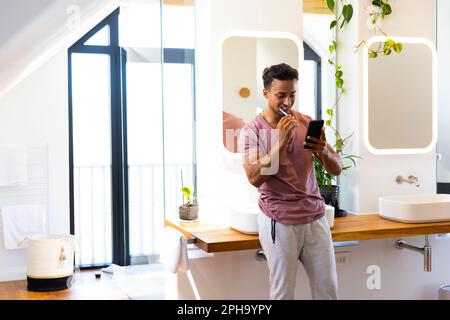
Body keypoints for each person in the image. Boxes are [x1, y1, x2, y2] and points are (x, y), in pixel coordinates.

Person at [238, 63, 342, 300]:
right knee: (283, 294)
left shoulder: (305, 123)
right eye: (281, 95)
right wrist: (281, 142)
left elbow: (336, 168)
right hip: (279, 221)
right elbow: (254, 177)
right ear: (266, 94)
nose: (287, 102)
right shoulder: (251, 131)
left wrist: (322, 152)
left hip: (315, 218)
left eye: (292, 95)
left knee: (328, 290)